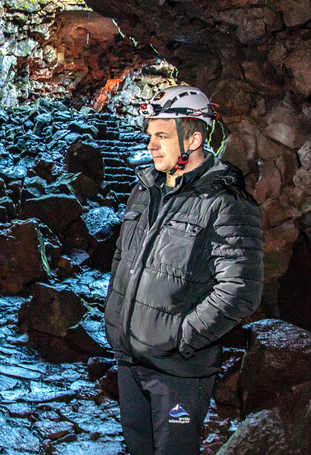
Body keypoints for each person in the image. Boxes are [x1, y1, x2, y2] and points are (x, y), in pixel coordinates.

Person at [104, 86, 264, 455]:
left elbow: (241, 290)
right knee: (138, 446)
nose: (152, 146)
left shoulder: (227, 204)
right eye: (150, 135)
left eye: (162, 136)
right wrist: (115, 320)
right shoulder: (144, 191)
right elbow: (122, 260)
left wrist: (180, 338)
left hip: (177, 372)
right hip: (129, 359)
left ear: (193, 139)